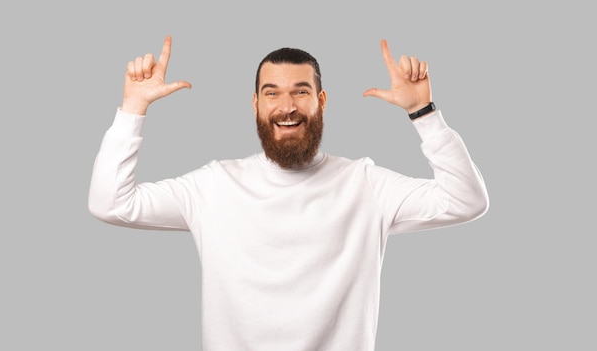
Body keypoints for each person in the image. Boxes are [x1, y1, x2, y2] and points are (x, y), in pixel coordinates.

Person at [88, 35, 489, 351]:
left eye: (300, 91)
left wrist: (424, 114)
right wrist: (132, 107)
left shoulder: (365, 184)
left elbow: (466, 201)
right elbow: (111, 203)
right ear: (256, 104)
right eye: (272, 92)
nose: (287, 106)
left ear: (321, 101)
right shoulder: (214, 186)